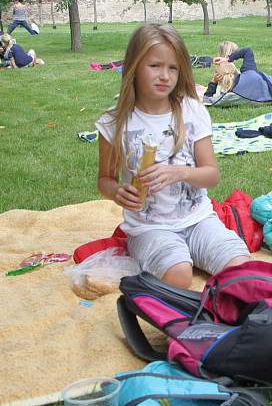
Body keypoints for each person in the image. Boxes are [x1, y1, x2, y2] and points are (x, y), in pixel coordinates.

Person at [95, 24, 250, 289]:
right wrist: (117, 192)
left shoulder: (191, 111)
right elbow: (105, 180)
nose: (164, 76)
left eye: (173, 68)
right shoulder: (115, 122)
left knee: (242, 269)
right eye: (154, 66)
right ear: (134, 66)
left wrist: (180, 173)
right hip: (148, 228)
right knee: (179, 274)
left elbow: (211, 175)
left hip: (199, 219)